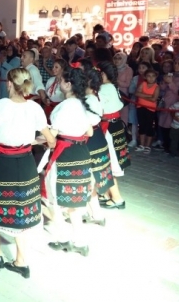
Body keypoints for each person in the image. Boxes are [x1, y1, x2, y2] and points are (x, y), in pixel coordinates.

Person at [0, 68, 55, 279]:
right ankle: (21, 260)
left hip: (4, 162)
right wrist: (32, 140)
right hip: (26, 162)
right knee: (21, 208)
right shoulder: (36, 108)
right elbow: (51, 140)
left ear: (9, 83)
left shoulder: (0, 106)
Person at [43, 64, 94, 256]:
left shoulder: (63, 107)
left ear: (68, 84)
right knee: (75, 201)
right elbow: (88, 131)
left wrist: (36, 138)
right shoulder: (83, 104)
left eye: (61, 80)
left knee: (55, 199)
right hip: (81, 153)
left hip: (64, 154)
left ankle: (63, 238)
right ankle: (79, 241)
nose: (59, 82)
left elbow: (52, 137)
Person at [79, 61, 115, 222]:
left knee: (90, 178)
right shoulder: (94, 97)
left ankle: (95, 213)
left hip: (90, 139)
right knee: (91, 178)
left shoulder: (88, 99)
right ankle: (91, 212)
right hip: (97, 137)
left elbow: (86, 123)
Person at [96, 61, 129, 210]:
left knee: (108, 163)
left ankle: (117, 198)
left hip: (109, 127)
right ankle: (105, 193)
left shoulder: (104, 88)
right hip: (114, 126)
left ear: (103, 74)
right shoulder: (113, 87)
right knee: (108, 162)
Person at [135, 69, 159, 153]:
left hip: (150, 109)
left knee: (149, 126)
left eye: (153, 76)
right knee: (141, 125)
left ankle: (148, 146)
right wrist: (149, 96)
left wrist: (143, 96)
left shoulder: (156, 87)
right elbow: (137, 93)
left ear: (156, 77)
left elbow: (154, 99)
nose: (151, 78)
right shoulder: (143, 83)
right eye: (149, 76)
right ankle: (141, 144)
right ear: (145, 77)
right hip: (140, 107)